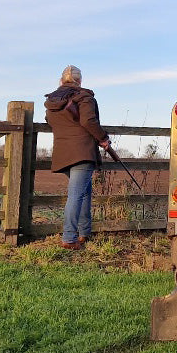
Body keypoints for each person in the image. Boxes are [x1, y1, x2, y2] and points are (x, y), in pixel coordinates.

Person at [44, 65, 110, 250]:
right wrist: (103, 138)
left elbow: (50, 121)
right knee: (76, 195)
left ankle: (84, 233)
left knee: (84, 193)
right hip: (82, 152)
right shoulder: (84, 97)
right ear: (79, 80)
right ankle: (69, 238)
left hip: (62, 153)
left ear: (61, 80)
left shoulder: (52, 101)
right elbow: (88, 121)